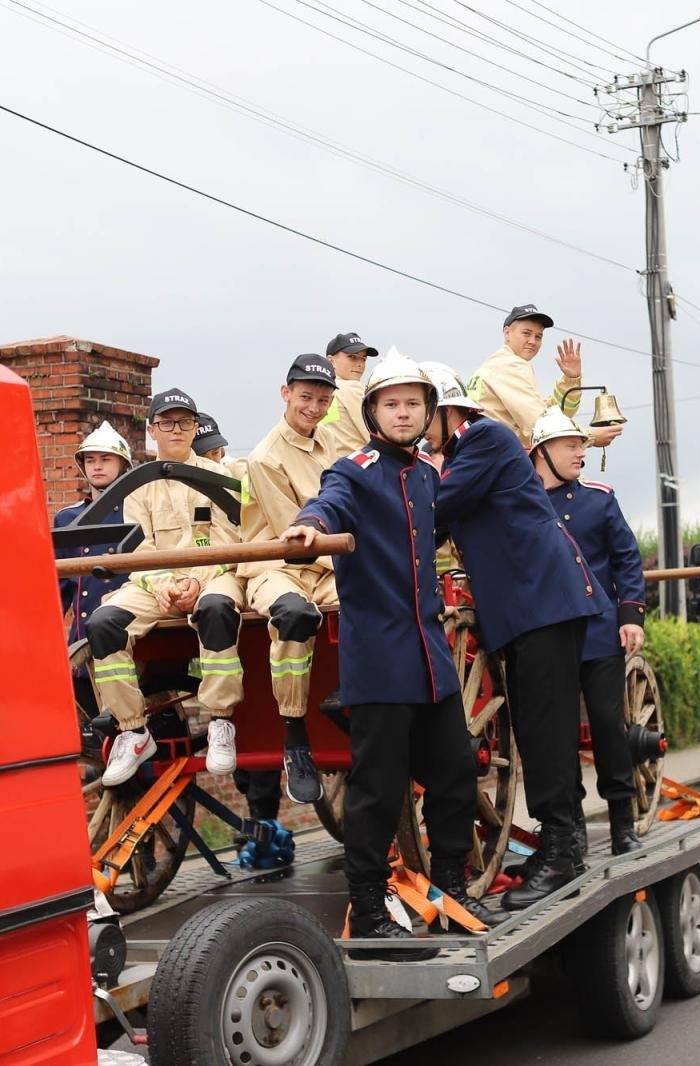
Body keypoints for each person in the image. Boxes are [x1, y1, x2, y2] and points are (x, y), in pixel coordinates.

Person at [281, 349, 501, 957]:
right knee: (377, 789)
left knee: (456, 772)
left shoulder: (429, 472)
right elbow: (329, 501)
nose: (403, 413)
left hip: (430, 653)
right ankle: (371, 906)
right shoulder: (354, 470)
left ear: (427, 411)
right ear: (373, 413)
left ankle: (451, 888)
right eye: (391, 404)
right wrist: (310, 524)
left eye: (412, 404)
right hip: (379, 655)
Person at [419, 360, 600, 911]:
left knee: (545, 729)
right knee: (541, 725)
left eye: (423, 413)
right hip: (529, 606)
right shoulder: (465, 452)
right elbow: (436, 525)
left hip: (541, 600)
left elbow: (437, 509)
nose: (418, 427)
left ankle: (561, 854)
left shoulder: (484, 438)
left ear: (448, 411)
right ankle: (564, 846)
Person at [190, 355, 340, 803]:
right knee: (294, 615)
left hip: (327, 562)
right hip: (279, 564)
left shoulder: (333, 442)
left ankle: (359, 694)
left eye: (323, 400)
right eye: (306, 397)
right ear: (285, 393)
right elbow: (296, 532)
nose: (313, 408)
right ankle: (295, 736)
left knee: (383, 599)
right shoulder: (265, 458)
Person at [84, 389, 239, 786]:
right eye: (167, 422)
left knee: (217, 608)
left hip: (214, 574)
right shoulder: (138, 485)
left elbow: (230, 541)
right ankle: (133, 730)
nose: (176, 430)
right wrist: (165, 585)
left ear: (194, 426)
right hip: (155, 582)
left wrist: (196, 580)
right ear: (152, 430)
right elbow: (139, 548)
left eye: (185, 421)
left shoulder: (220, 476)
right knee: (103, 622)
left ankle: (220, 720)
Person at [529, 408, 646, 857]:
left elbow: (626, 558)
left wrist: (630, 615)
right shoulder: (521, 504)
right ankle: (571, 828)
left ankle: (622, 823)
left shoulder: (599, 499)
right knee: (557, 735)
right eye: (571, 445)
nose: (581, 452)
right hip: (548, 635)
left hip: (598, 632)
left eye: (582, 444)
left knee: (606, 722)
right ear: (542, 452)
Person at [467, 303, 623, 450]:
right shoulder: (511, 365)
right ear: (507, 333)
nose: (532, 341)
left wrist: (571, 380)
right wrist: (589, 437)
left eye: (538, 336)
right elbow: (540, 425)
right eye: (526, 333)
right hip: (498, 457)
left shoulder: (491, 365)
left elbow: (552, 414)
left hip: (485, 451)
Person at [54, 421, 133, 650]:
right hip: (81, 633)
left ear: (122, 464)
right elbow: (59, 589)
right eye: (90, 460)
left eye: (105, 459)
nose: (97, 466)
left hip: (126, 628)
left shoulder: (136, 511)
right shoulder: (67, 518)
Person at [316, 332, 378, 460]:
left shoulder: (321, 392)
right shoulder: (352, 388)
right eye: (352, 357)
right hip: (361, 464)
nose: (360, 364)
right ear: (331, 361)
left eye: (363, 359)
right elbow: (376, 436)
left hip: (329, 465)